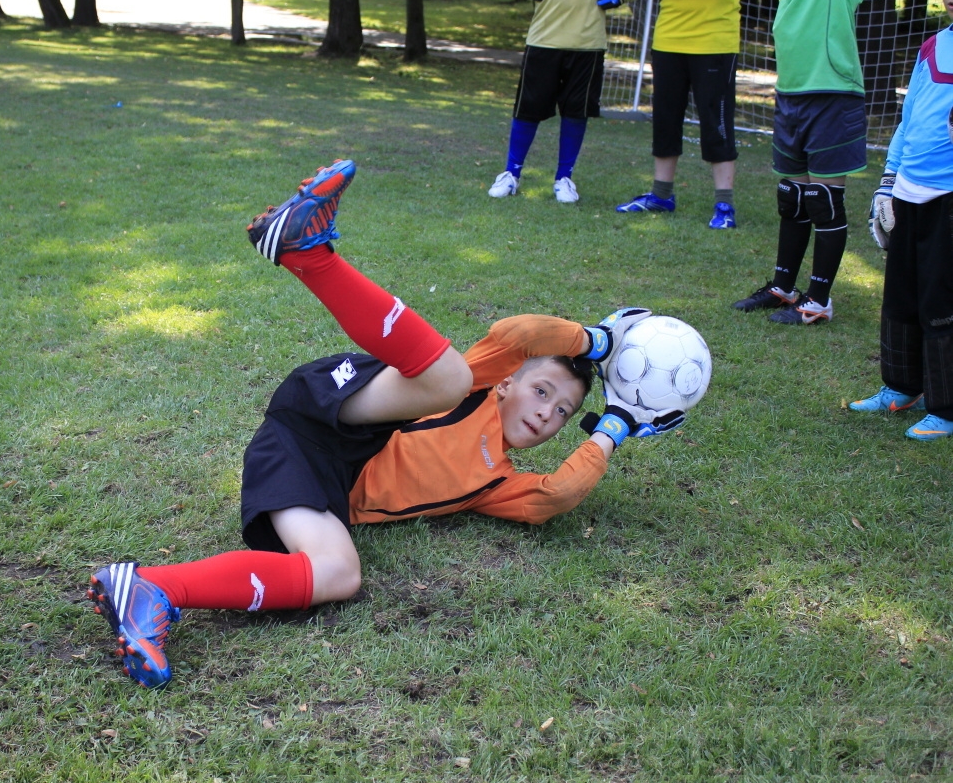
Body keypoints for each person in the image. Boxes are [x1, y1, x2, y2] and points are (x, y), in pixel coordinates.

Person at [87, 160, 684, 688]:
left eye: (561, 413)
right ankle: (307, 254)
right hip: (335, 416)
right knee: (445, 378)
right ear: (507, 383)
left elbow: (556, 495)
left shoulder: (495, 481)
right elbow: (519, 337)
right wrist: (596, 341)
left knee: (340, 575)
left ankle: (150, 589)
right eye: (541, 390)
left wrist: (618, 425)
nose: (546, 413)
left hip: (312, 478)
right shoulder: (478, 384)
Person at [732, 0, 879, 325]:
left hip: (831, 94)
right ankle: (784, 287)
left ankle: (819, 300)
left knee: (823, 200)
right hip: (791, 94)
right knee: (793, 197)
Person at [850, 0, 953, 440]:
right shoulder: (934, 45)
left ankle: (946, 406)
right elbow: (909, 119)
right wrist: (888, 183)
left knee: (941, 300)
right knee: (901, 295)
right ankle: (901, 386)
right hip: (909, 191)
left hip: (948, 198)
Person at [488, 0, 642, 203]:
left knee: (576, 111)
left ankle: (564, 179)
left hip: (588, 42)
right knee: (528, 108)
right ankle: (511, 174)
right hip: (544, 38)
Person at [615, 0, 747, 230]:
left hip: (715, 40)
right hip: (668, 38)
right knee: (665, 118)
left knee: (716, 122)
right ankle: (661, 195)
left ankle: (725, 204)